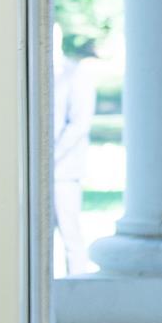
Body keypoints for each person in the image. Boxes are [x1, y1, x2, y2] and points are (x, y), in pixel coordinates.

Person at [53, 23, 96, 276]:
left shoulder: (75, 75)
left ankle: (76, 283)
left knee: (71, 235)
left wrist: (50, 157)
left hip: (64, 172)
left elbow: (79, 124)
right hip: (35, 172)